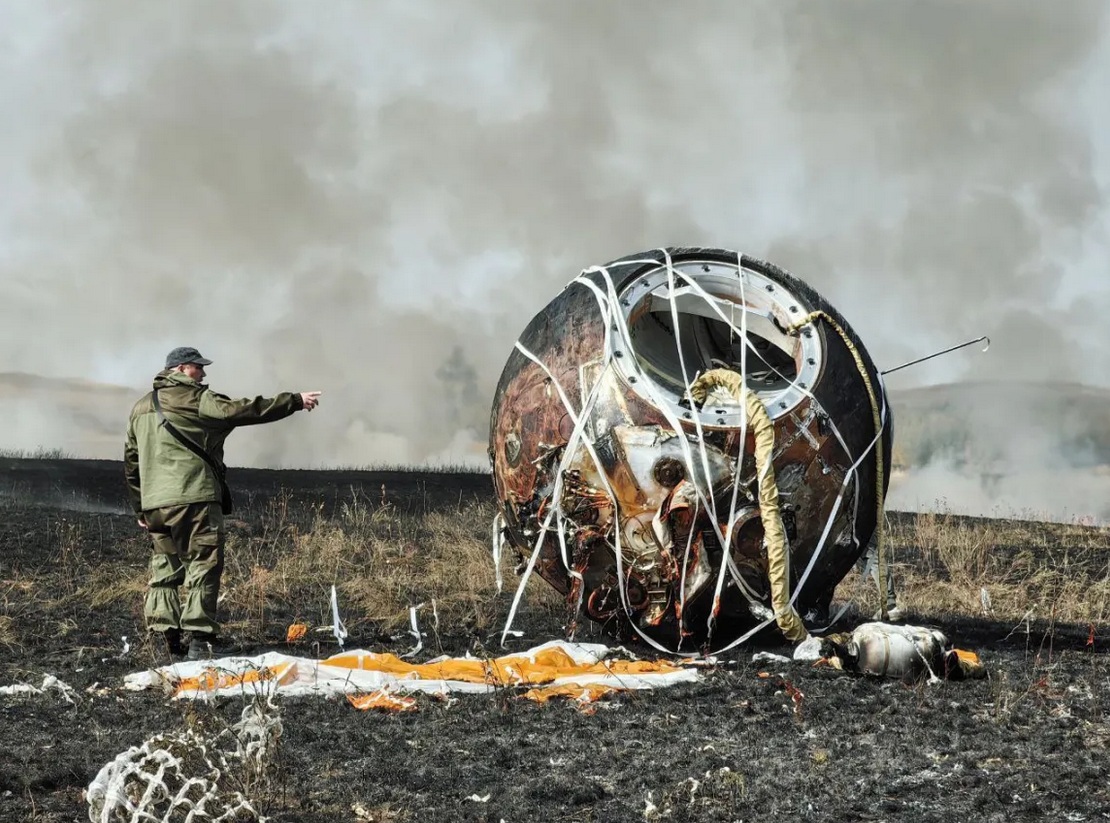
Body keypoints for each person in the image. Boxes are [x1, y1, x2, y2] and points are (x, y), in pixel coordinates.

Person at [124, 346, 321, 659]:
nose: (204, 373)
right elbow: (245, 410)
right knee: (203, 565)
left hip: (156, 508)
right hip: (194, 500)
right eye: (199, 368)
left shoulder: (141, 407)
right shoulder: (199, 399)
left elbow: (132, 461)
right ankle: (200, 642)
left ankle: (164, 640)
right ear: (183, 368)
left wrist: (141, 507)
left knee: (165, 570)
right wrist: (294, 401)